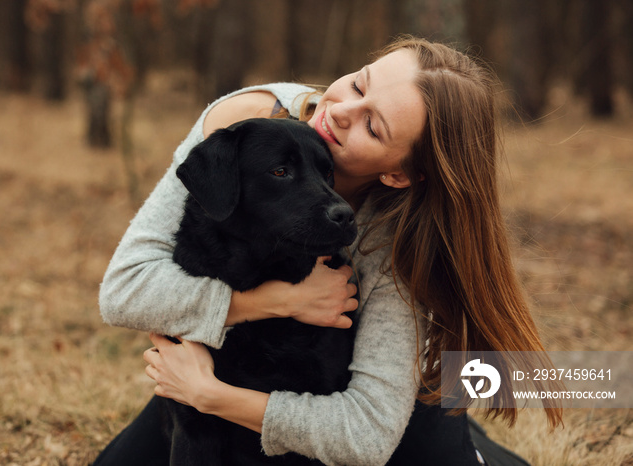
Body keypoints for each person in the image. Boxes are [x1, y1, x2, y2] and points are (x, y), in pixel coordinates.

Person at [95, 36, 562, 465]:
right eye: (359, 84)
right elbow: (124, 290)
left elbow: (366, 434)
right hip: (233, 369)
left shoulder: (394, 238)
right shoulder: (244, 124)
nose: (341, 110)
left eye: (372, 126)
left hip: (357, 397)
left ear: (399, 173)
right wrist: (275, 303)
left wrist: (210, 395)